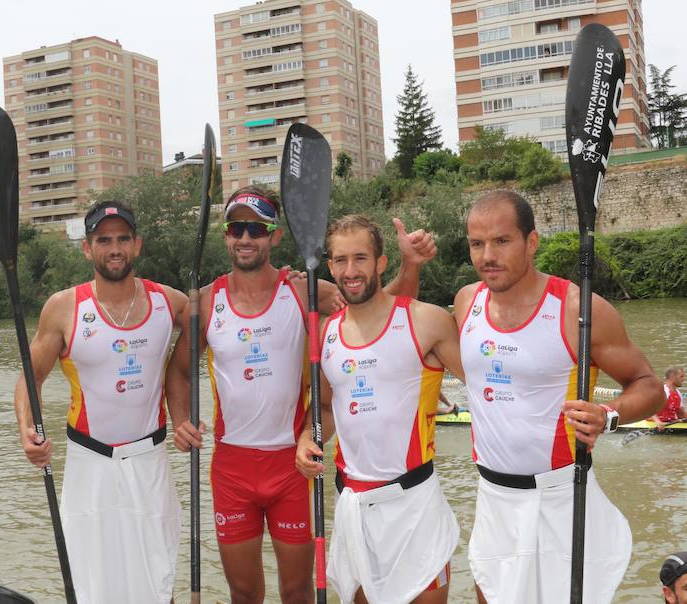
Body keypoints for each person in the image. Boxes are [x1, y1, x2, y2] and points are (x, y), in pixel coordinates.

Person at [166, 186, 435, 604]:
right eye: (237, 227)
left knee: (296, 591)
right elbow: (179, 370)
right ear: (225, 235)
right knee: (243, 591)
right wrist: (180, 420)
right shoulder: (207, 300)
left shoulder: (305, 290)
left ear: (274, 236)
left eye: (257, 228)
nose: (246, 237)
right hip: (232, 467)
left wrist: (410, 264)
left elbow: (381, 310)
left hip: (293, 465)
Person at [454, 190, 665, 603]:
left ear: (532, 242)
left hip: (560, 496)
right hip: (492, 497)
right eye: (477, 244)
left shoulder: (578, 309)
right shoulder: (466, 302)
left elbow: (650, 387)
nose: (487, 256)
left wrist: (608, 415)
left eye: (502, 241)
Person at [14, 200, 187, 604]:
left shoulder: (170, 302)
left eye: (123, 239)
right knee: (92, 583)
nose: (115, 248)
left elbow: (230, 305)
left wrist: (300, 285)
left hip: (150, 461)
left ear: (137, 245)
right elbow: (29, 378)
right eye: (103, 240)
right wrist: (27, 429)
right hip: (89, 464)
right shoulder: (63, 308)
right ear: (87, 248)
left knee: (159, 577)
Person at [295, 215, 464, 604]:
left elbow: (487, 384)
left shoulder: (427, 321)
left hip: (416, 508)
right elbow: (323, 406)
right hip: (355, 510)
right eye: (340, 260)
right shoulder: (326, 334)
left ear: (381, 262)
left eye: (360, 258)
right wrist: (307, 437)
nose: (350, 271)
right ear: (330, 265)